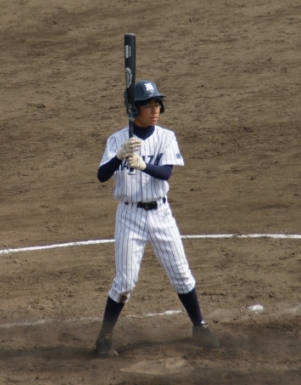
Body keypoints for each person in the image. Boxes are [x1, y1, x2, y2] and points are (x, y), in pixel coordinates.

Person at [94, 79, 219, 357]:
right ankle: (104, 338)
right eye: (149, 105)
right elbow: (102, 175)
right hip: (129, 216)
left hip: (162, 214)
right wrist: (119, 156)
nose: (155, 110)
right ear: (133, 109)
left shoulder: (166, 137)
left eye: (157, 104)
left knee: (181, 274)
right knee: (125, 283)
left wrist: (143, 165)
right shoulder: (117, 140)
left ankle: (199, 326)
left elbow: (166, 173)